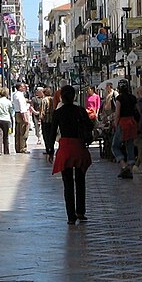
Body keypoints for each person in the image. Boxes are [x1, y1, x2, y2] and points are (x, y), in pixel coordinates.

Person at [52, 85, 93, 225]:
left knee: (67, 183)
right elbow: (90, 126)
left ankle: (71, 216)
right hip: (79, 147)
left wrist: (50, 151)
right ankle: (80, 211)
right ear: (74, 96)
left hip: (65, 148)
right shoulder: (80, 110)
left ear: (61, 97)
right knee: (80, 181)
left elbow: (52, 132)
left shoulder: (58, 112)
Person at [111, 80, 138, 179]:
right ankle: (129, 169)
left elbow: (117, 113)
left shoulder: (119, 98)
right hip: (132, 123)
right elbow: (136, 111)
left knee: (115, 146)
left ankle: (123, 164)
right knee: (130, 145)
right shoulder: (133, 98)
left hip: (123, 123)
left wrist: (115, 123)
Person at [0, 88, 14, 155]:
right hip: (6, 119)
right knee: (6, 135)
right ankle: (6, 150)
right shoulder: (8, 102)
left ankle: (0, 151)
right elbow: (11, 111)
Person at [11, 82, 31, 153]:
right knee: (23, 132)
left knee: (18, 132)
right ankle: (22, 148)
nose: (24, 88)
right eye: (23, 87)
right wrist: (25, 118)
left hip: (17, 113)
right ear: (19, 88)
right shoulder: (20, 96)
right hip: (21, 114)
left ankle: (18, 147)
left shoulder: (15, 94)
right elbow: (22, 107)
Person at [41, 87, 58, 160]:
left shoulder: (44, 100)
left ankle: (48, 149)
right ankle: (52, 148)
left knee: (46, 135)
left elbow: (42, 111)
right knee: (52, 135)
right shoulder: (53, 99)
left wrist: (40, 118)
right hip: (52, 119)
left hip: (46, 120)